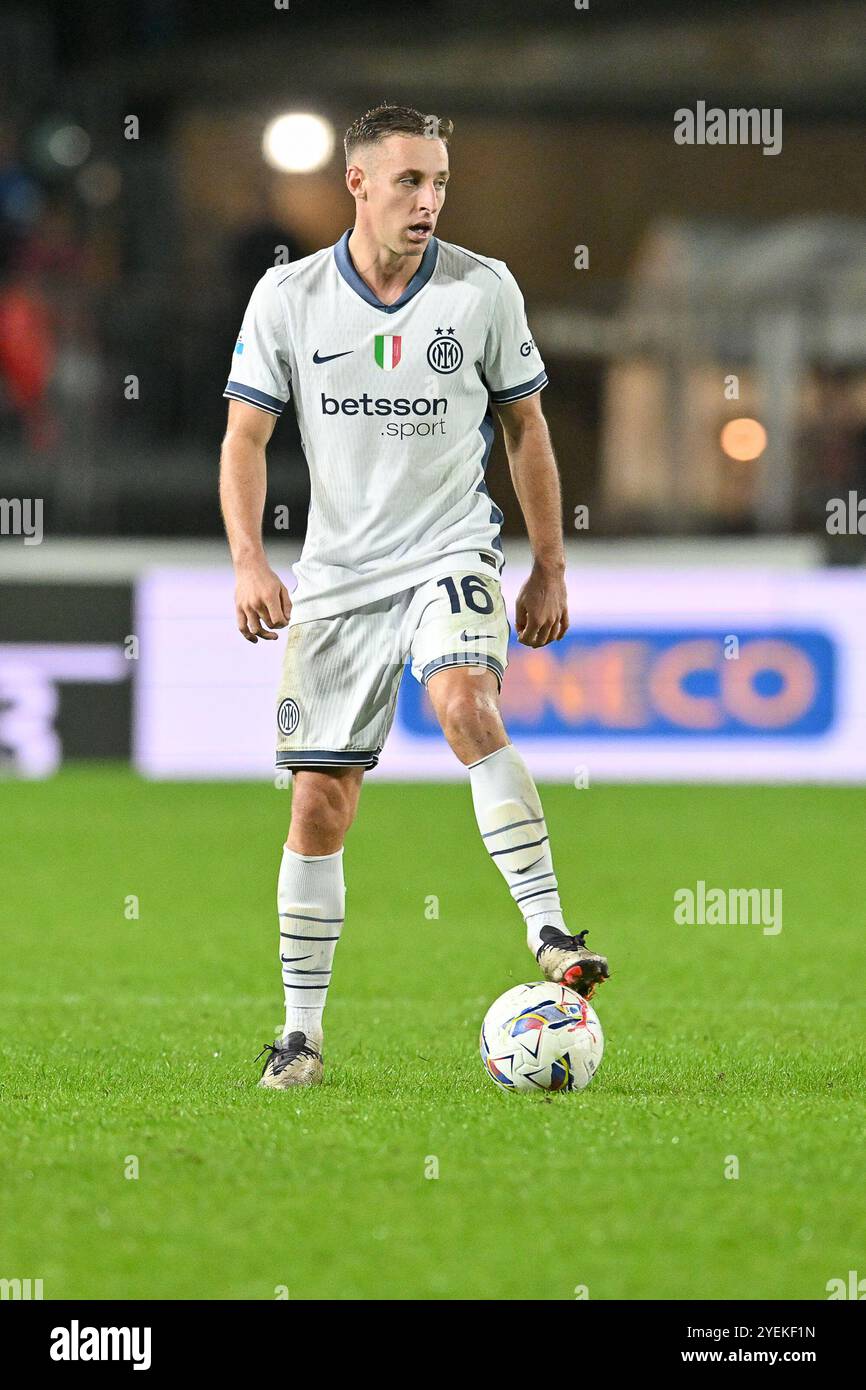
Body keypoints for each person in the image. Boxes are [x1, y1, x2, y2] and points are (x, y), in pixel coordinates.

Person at [218, 103, 610, 1089]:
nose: (428, 199)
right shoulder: (290, 297)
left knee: (465, 702)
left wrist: (549, 564)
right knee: (318, 805)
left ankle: (546, 927)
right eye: (408, 181)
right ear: (356, 184)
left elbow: (526, 431)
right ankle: (300, 1034)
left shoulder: (482, 291)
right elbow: (244, 442)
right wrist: (248, 561)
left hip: (450, 550)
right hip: (341, 580)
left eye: (438, 181)